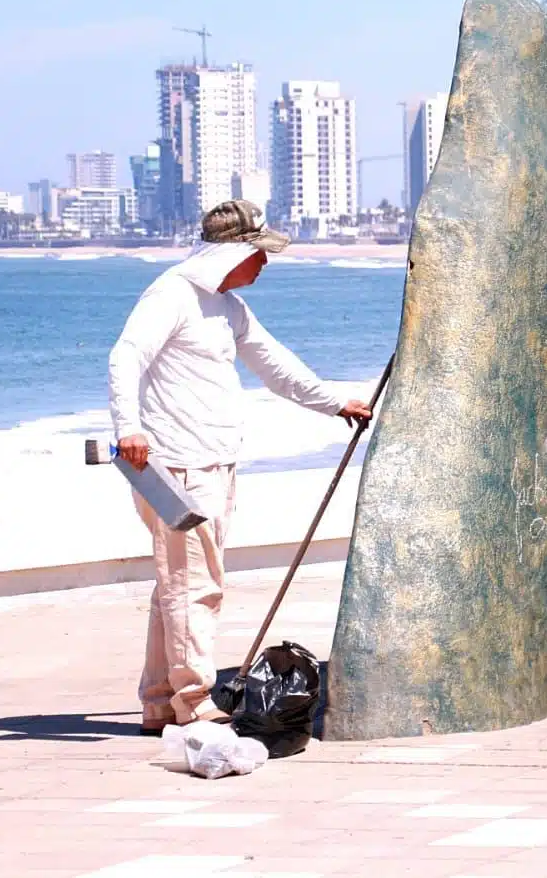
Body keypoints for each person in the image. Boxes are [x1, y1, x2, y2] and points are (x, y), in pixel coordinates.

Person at [108, 199, 371, 734]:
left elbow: (275, 365)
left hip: (214, 461)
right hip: (175, 465)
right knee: (194, 587)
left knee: (175, 585)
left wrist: (335, 402)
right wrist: (128, 428)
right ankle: (195, 700)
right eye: (259, 254)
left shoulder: (227, 307)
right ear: (232, 252)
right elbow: (125, 356)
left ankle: (161, 702)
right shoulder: (173, 295)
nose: (265, 265)